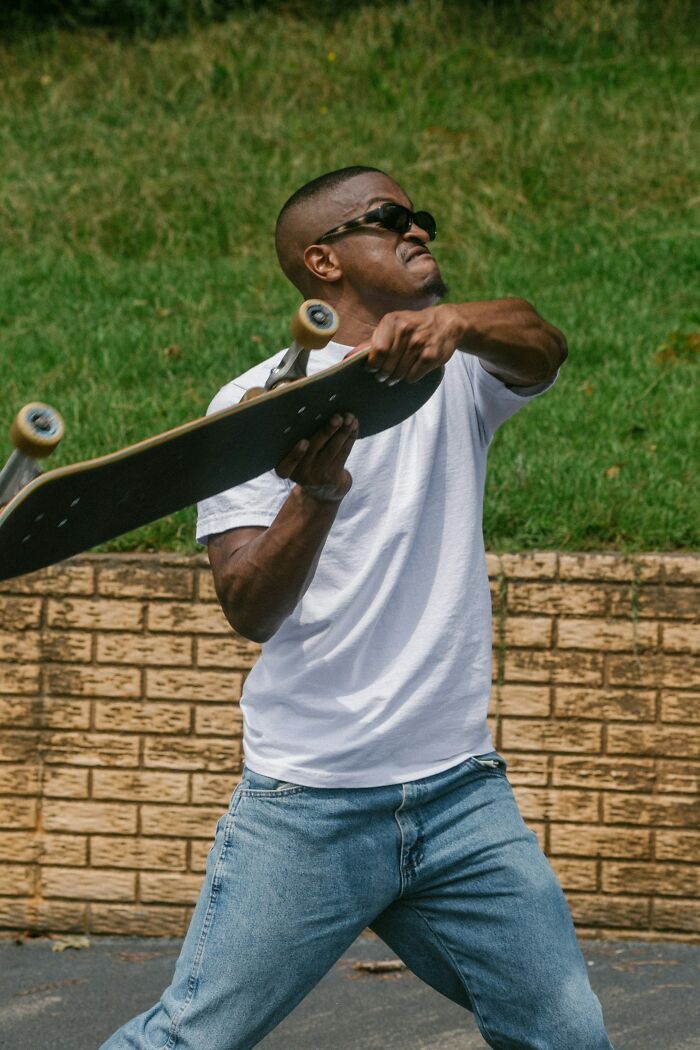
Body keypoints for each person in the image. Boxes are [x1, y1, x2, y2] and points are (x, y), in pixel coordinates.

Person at [101, 166, 614, 1050]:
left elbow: (542, 342)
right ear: (322, 261)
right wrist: (318, 494)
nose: (419, 232)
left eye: (421, 217)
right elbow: (249, 607)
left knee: (565, 1035)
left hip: (461, 796)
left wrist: (457, 323)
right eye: (389, 221)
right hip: (313, 803)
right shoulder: (255, 404)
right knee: (189, 1040)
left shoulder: (461, 373)